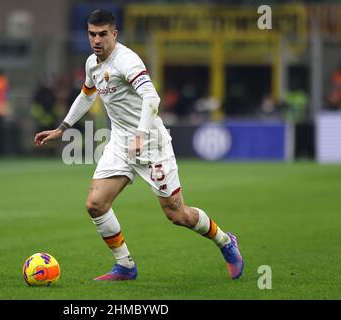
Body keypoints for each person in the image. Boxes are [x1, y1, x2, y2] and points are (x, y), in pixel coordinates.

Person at [34, 9, 243, 281]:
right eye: (92, 34)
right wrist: (62, 128)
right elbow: (86, 96)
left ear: (114, 34)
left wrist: (141, 134)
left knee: (177, 214)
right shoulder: (92, 64)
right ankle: (125, 266)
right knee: (96, 204)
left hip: (151, 143)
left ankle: (226, 242)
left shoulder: (127, 61)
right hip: (121, 142)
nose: (96, 40)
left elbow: (152, 98)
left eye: (103, 34)